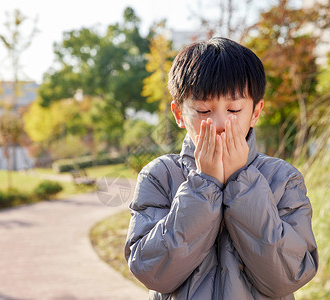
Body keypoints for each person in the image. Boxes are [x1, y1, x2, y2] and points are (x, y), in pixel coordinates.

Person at [124, 37, 318, 299]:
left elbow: (288, 276)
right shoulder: (159, 176)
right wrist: (204, 184)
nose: (220, 123)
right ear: (179, 114)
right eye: (204, 110)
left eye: (234, 109)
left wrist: (243, 182)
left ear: (256, 112)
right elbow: (152, 271)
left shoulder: (283, 179)